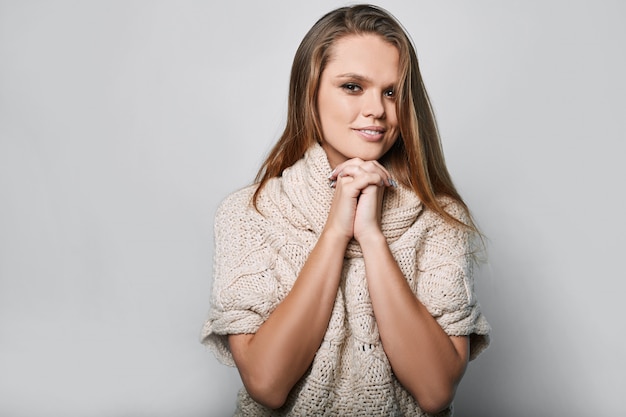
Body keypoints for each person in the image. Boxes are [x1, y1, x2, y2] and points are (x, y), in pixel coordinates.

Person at [201, 4, 490, 416]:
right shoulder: (248, 214)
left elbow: (435, 390)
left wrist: (371, 237)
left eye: (391, 91)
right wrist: (336, 231)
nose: (377, 109)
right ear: (310, 92)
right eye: (353, 86)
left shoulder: (441, 218)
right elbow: (267, 384)